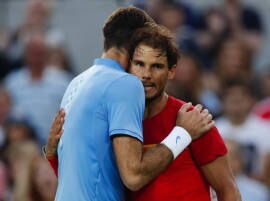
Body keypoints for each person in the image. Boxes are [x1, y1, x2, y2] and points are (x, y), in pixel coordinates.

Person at [46, 22, 240, 201]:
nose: (146, 75)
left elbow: (228, 190)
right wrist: (54, 155)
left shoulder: (193, 120)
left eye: (156, 66)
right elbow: (88, 179)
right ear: (128, 66)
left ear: (171, 71)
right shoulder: (115, 123)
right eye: (139, 64)